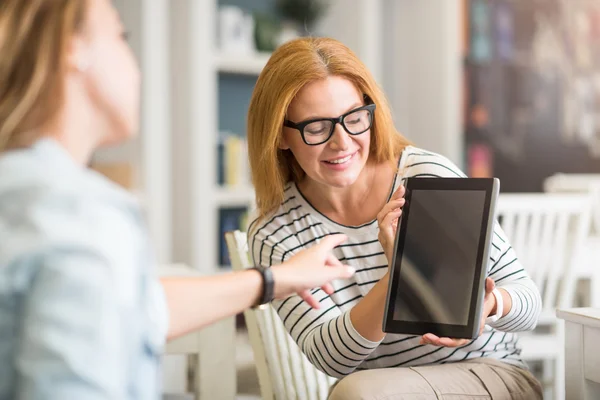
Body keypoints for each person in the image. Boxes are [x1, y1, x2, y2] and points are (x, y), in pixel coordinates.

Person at [0, 1, 355, 399]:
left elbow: (134, 307)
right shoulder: (82, 213)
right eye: (121, 36)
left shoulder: (21, 193)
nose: (135, 67)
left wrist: (274, 279)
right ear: (73, 50)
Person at [247, 37, 543, 399]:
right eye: (317, 128)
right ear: (280, 135)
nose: (342, 142)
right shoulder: (276, 232)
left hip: (489, 373)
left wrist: (492, 304)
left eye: (354, 119)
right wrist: (400, 272)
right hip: (386, 387)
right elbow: (330, 358)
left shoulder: (425, 177)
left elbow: (529, 302)